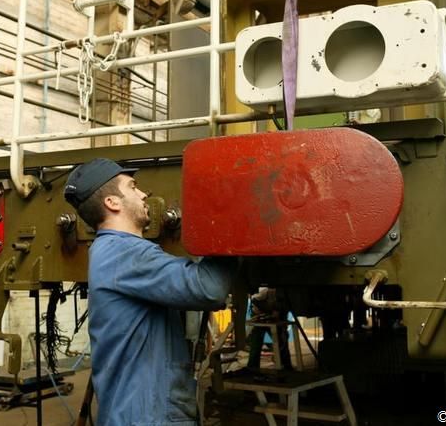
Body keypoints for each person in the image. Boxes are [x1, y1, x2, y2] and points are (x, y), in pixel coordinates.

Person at [64, 158, 235, 426]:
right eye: (133, 187)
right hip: (147, 415)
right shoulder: (125, 253)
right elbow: (208, 288)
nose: (144, 194)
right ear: (112, 202)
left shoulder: (110, 251)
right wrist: (228, 219)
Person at [246, 287, 293, 371]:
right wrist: (262, 313)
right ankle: (252, 367)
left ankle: (286, 366)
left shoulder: (285, 299)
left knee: (282, 341)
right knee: (256, 341)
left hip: (274, 313)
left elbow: (281, 314)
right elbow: (254, 300)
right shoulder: (264, 294)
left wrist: (276, 316)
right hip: (260, 313)